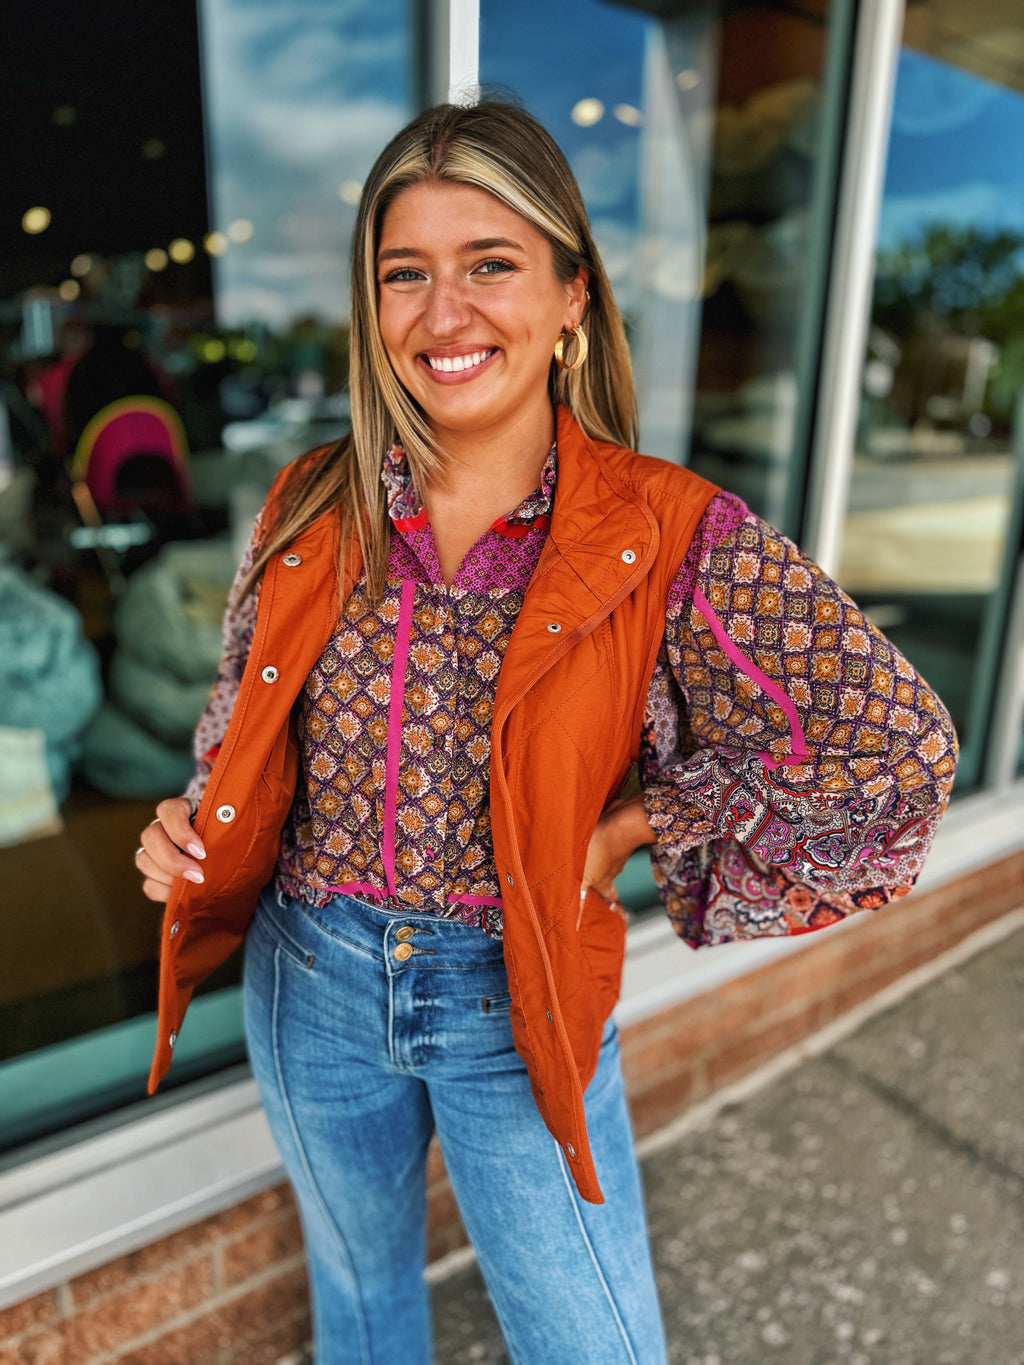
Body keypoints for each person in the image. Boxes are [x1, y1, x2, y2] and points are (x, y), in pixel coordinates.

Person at [136, 102, 957, 1364]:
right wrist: (192, 826)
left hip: (508, 995)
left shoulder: (671, 532)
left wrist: (646, 820)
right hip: (308, 978)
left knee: (594, 1345)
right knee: (358, 1304)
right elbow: (233, 720)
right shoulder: (312, 498)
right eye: (403, 274)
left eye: (491, 265)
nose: (442, 314)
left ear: (573, 296)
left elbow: (896, 751)